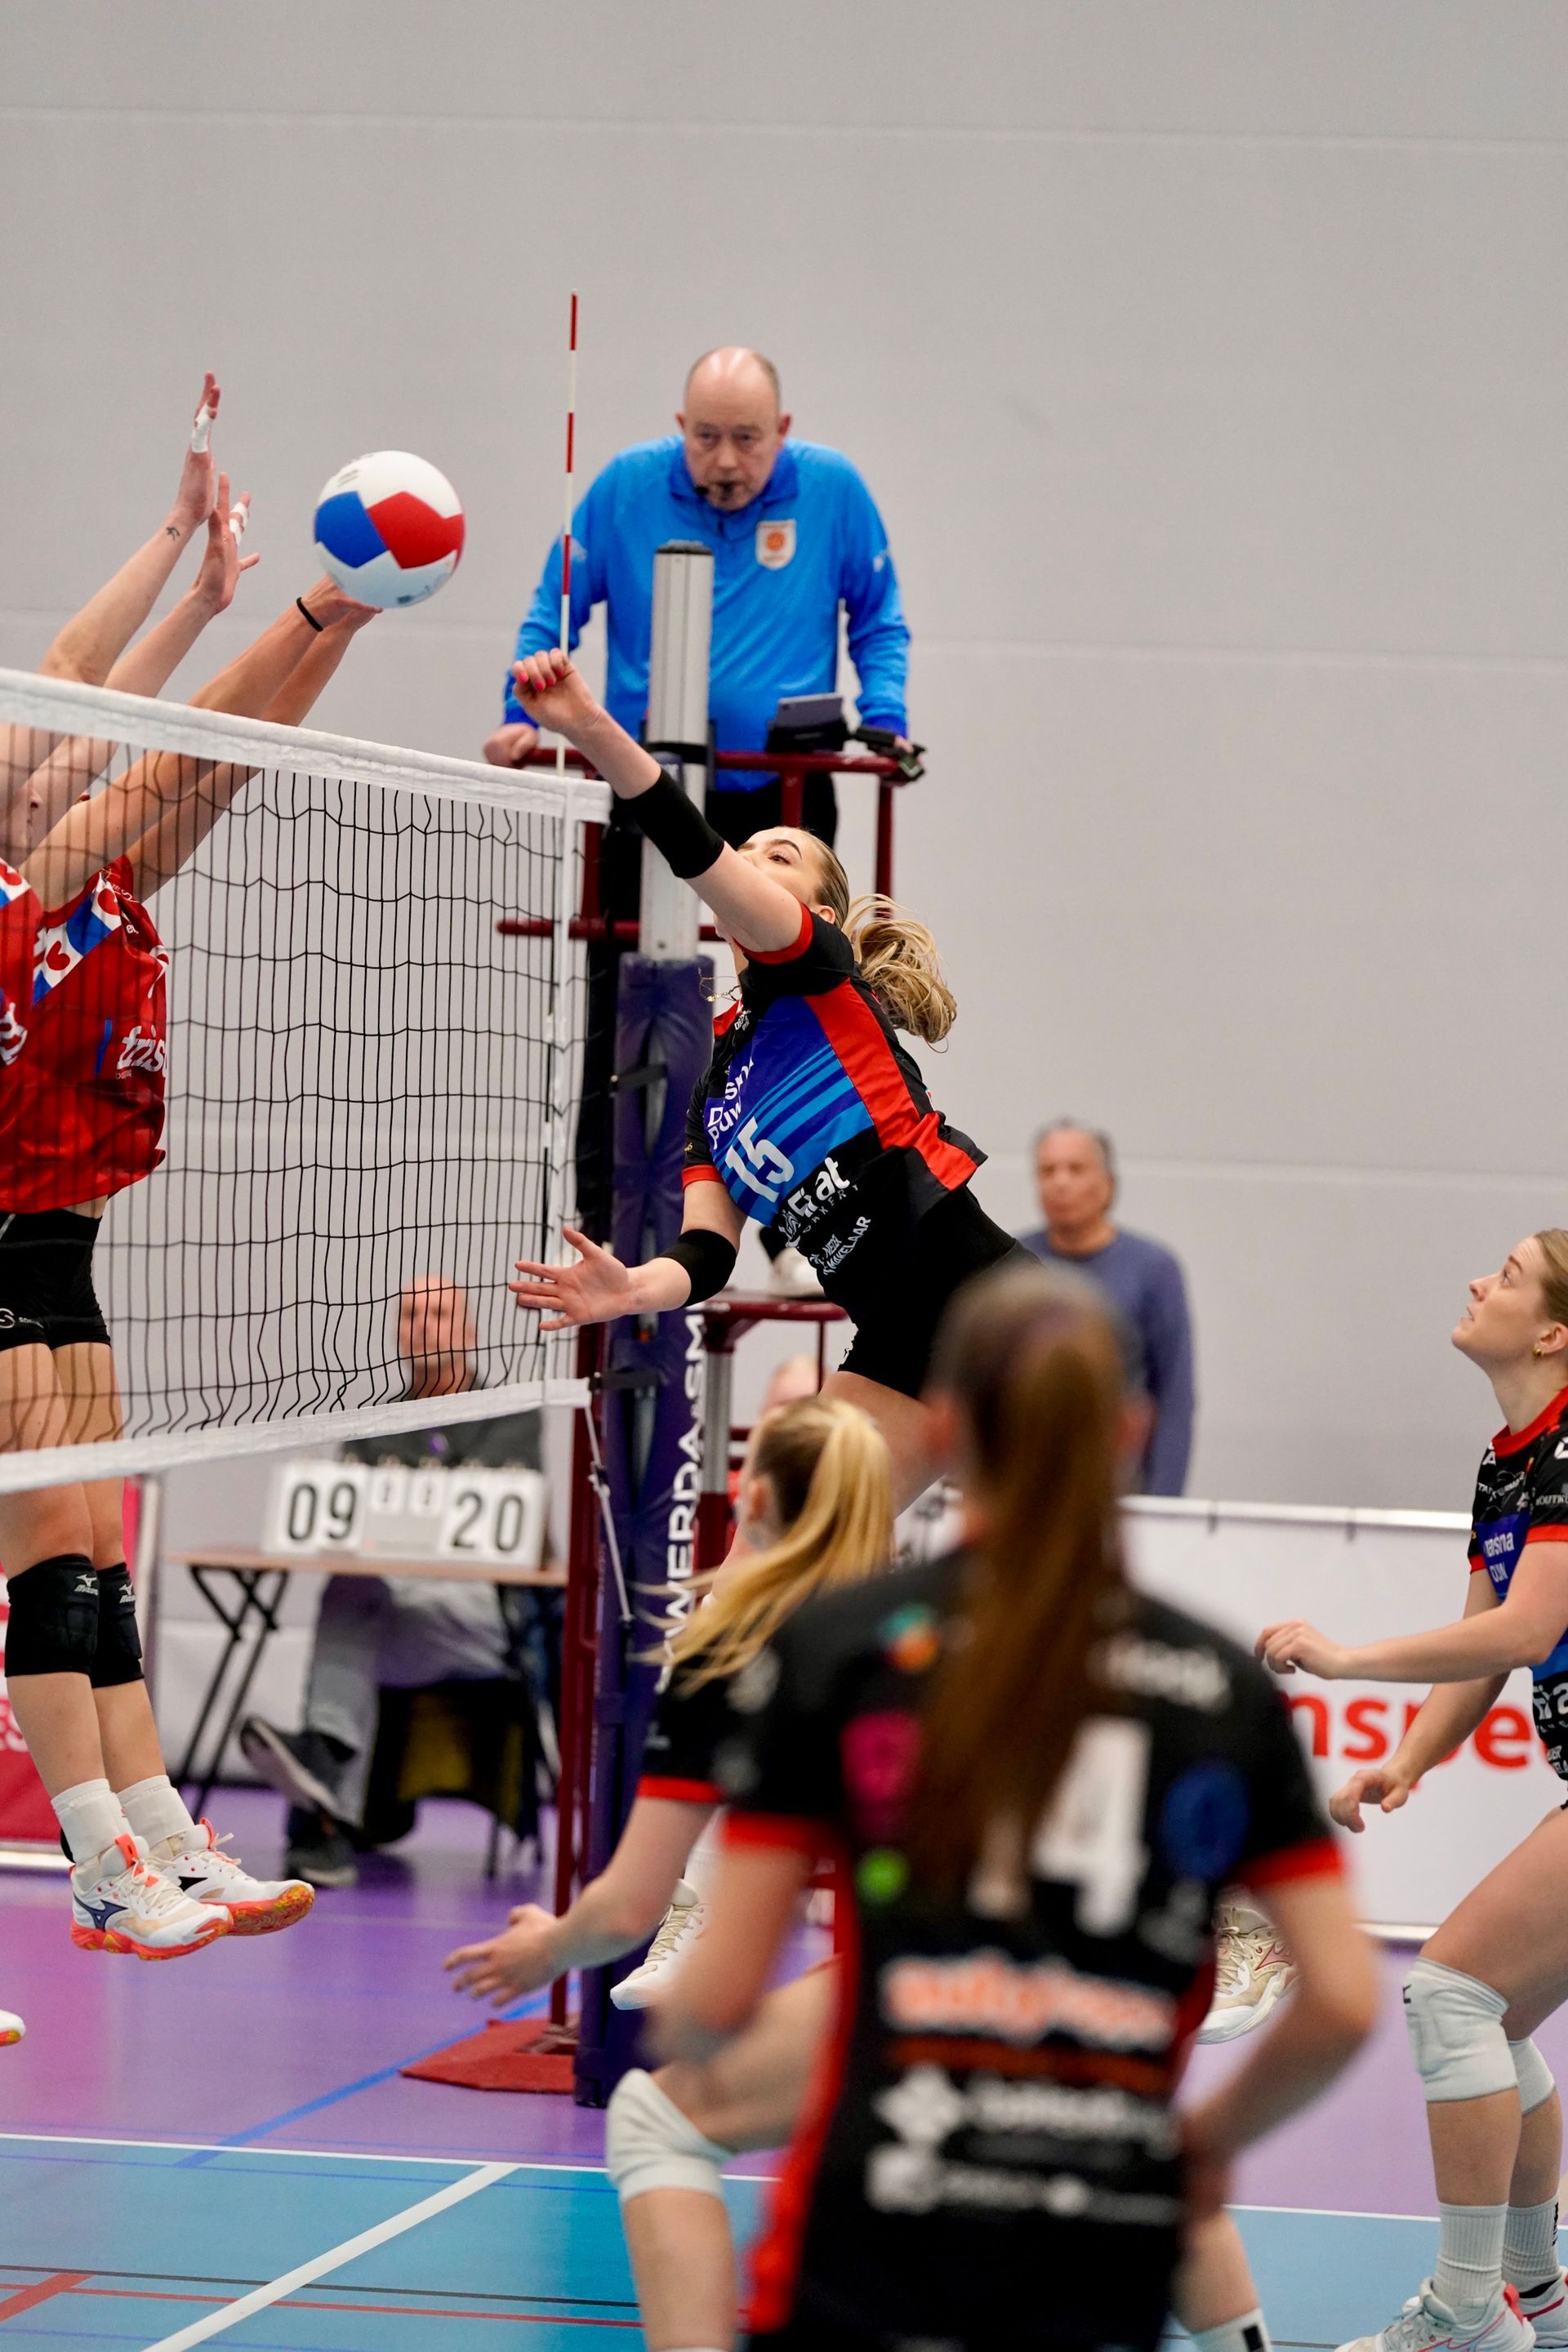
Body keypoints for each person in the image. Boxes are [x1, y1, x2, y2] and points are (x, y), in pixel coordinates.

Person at [657, 1260, 1376, 2351]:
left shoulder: (838, 1653)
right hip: (1095, 2247)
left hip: (869, 2238)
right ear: (1130, 1432)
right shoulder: (1222, 1687)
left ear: (942, 1428)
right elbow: (1345, 2004)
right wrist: (1203, 2148)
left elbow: (706, 2002)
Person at [0, 520, 379, 1959]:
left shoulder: (104, 896)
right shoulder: (24, 886)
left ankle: (160, 1832)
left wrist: (318, 633)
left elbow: (210, 754)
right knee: (47, 1553)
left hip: (60, 1256)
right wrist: (297, 608)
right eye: (45, 765)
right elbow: (132, 720)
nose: (67, 766)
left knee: (93, 1549)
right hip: (1, 1249)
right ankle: (99, 1860)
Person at [506, 647, 1031, 1521]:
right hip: (896, 1343)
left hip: (988, 1307)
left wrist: (591, 728)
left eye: (778, 855)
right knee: (776, 1538)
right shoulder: (713, 1088)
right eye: (750, 850)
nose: (754, 859)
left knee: (1035, 1575)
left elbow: (688, 842)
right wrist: (633, 1287)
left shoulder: (817, 972)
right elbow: (709, 1253)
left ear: (817, 913)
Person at [443, 1392, 892, 2352]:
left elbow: (631, 1903)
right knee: (1144, 2154)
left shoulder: (733, 1657)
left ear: (750, 1493)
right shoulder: (954, 1622)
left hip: (918, 1980)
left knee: (656, 2116)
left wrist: (546, 1950)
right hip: (1081, 1966)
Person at [1258, 1227, 1568, 2352]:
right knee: (1499, 2015)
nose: (1477, 1280)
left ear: (1553, 1333)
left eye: (1511, 1276)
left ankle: (1465, 2312)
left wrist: (1346, 1662)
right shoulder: (1509, 1459)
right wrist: (1410, 1758)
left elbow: (1531, 1625)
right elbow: (1490, 1654)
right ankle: (1534, 2292)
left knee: (1451, 1998)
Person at [484, 347, 911, 847]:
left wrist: (886, 719)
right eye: (706, 437)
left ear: (782, 429)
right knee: (623, 927)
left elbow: (878, 621)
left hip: (788, 786)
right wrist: (520, 716)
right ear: (682, 425)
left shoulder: (834, 489)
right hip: (640, 779)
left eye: (747, 439)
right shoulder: (626, 485)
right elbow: (550, 615)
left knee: (789, 930)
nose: (726, 460)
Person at [239, 1275, 548, 1888]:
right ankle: (323, 1768)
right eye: (410, 1316)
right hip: (393, 1613)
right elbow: (349, 1529)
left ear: (469, 1331)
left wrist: (401, 1521)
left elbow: (494, 1525)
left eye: (438, 1314)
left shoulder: (510, 1413)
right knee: (352, 1592)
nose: (423, 1327)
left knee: (355, 1602)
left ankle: (319, 1805)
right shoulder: (374, 1422)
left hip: (483, 1621)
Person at [1018, 1120, 1196, 1496]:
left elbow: (1174, 1394)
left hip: (1116, 1485)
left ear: (1108, 1185)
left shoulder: (1153, 1269)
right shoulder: (1013, 1263)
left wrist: (1165, 1503)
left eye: (1076, 1169)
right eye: (1048, 1170)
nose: (1060, 1182)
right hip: (1026, 1481)